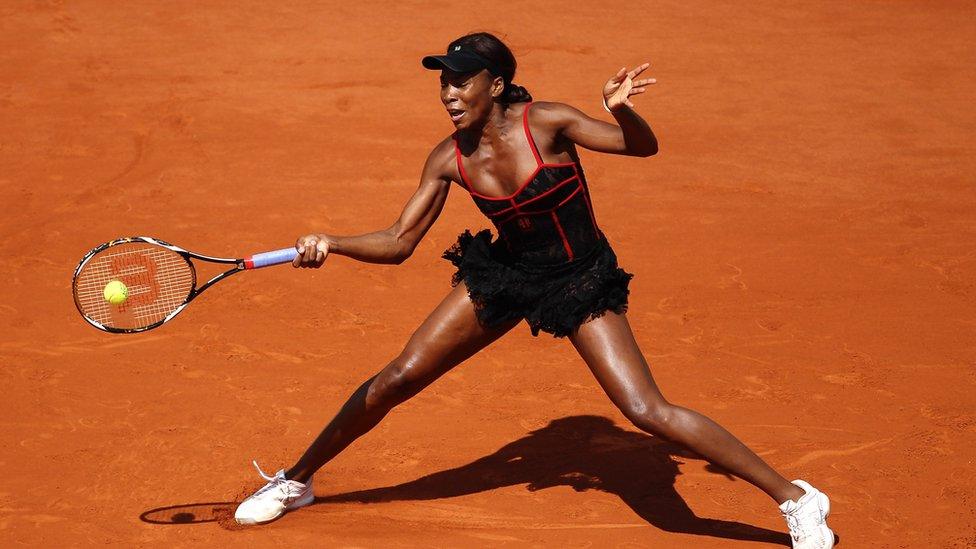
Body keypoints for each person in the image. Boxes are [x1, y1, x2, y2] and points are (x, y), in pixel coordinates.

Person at [233, 32, 834, 548]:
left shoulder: (549, 123)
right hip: (508, 274)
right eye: (443, 82)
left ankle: (797, 499)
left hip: (579, 279)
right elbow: (397, 241)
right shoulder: (448, 159)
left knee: (646, 411)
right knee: (400, 376)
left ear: (496, 85)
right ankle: (298, 478)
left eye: (461, 81)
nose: (448, 93)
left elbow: (641, 146)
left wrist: (620, 109)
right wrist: (330, 242)